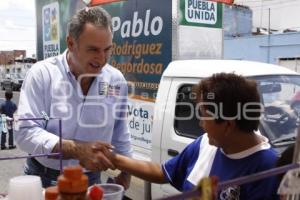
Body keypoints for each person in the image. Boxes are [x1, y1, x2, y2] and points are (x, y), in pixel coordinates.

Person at [104, 73, 280, 199]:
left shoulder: (269, 171)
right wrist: (112, 158)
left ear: (228, 125)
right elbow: (162, 172)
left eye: (203, 115)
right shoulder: (207, 144)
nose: (200, 123)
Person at [15, 6, 132, 188]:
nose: (101, 59)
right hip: (43, 178)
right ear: (71, 43)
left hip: (90, 180)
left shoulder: (115, 81)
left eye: (107, 49)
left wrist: (127, 171)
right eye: (93, 49)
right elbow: (24, 132)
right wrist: (77, 150)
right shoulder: (43, 74)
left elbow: (120, 130)